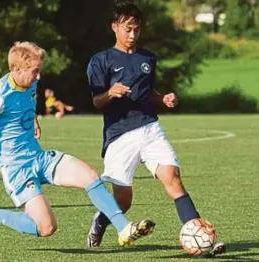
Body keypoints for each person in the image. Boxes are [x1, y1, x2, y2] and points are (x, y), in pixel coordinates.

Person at [0, 41, 155, 247]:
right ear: (17, 69)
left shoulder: (29, 82)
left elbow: (27, 100)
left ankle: (123, 228)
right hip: (17, 170)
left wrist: (33, 119)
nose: (39, 77)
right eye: (35, 71)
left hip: (39, 157)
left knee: (90, 176)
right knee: (46, 228)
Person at [86, 0, 225, 256]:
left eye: (136, 29)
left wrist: (163, 100)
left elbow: (147, 93)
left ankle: (201, 235)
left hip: (150, 128)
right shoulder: (100, 61)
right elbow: (96, 101)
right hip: (120, 135)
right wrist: (110, 93)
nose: (132, 34)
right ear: (114, 27)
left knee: (173, 178)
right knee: (124, 202)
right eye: (127, 28)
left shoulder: (148, 58)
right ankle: (101, 220)